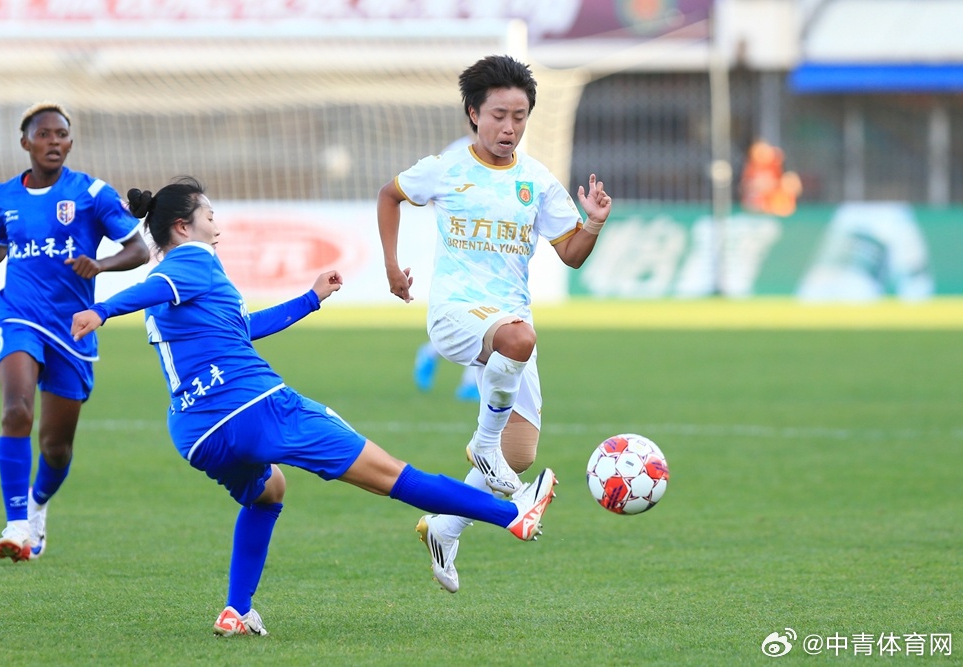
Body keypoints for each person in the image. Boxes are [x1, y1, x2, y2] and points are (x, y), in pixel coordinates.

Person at [69, 177, 557, 636]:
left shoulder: (179, 288)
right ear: (183, 227)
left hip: (197, 434)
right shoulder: (192, 260)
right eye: (210, 215)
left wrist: (311, 298)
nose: (217, 225)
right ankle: (512, 515)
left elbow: (243, 330)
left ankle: (238, 610)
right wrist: (102, 310)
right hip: (255, 407)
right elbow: (153, 288)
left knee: (269, 490)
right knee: (391, 474)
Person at [377, 55, 611, 593]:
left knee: (520, 453)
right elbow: (390, 195)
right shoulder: (447, 168)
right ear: (473, 114)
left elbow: (571, 254)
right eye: (499, 115)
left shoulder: (536, 181)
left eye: (520, 117)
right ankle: (482, 444)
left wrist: (594, 223)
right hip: (456, 313)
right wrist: (392, 267)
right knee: (518, 342)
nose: (510, 128)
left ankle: (445, 526)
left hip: (508, 322)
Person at [0, 102, 150, 563]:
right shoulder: (2, 196)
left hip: (73, 327)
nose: (53, 141)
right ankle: (15, 525)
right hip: (17, 314)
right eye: (43, 134)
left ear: (70, 142)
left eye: (61, 134)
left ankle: (37, 504)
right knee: (16, 411)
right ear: (25, 142)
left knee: (57, 446)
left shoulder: (91, 193)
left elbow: (139, 249)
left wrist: (100, 264)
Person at [412, 133, 480, 403]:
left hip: (495, 249)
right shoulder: (458, 151)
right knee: (473, 314)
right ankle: (462, 377)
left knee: (484, 315)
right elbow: (431, 193)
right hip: (463, 249)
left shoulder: (511, 156)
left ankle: (468, 380)